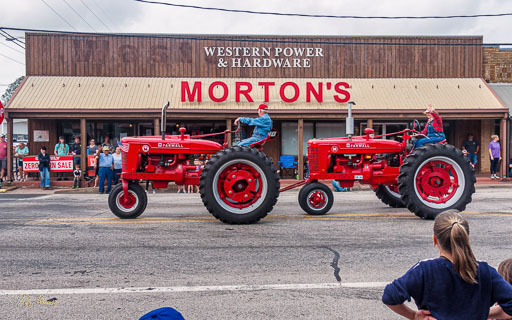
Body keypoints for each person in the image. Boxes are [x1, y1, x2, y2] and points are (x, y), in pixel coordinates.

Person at [382, 210, 512, 320]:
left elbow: (390, 296)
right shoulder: (485, 272)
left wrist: (414, 315)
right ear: (467, 239)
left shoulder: (425, 271)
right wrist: (483, 313)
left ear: (435, 239)